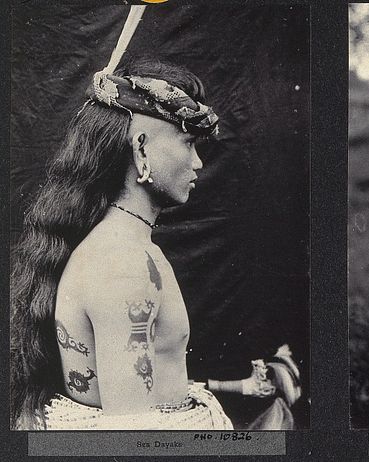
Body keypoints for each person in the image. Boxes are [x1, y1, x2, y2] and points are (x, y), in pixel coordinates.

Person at [10, 57, 233, 430]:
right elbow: (131, 438)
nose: (197, 163)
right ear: (141, 150)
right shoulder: (122, 266)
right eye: (188, 143)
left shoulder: (122, 249)